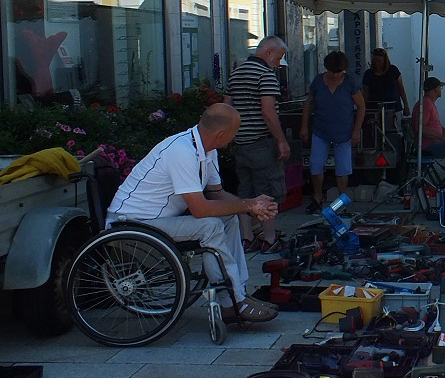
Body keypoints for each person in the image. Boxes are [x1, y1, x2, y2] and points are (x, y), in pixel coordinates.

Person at [106, 104, 278, 323]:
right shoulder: (182, 151)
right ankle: (232, 301)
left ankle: (239, 293)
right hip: (133, 223)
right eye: (234, 134)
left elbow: (217, 194)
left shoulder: (207, 149)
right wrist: (248, 205)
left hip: (157, 220)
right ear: (222, 134)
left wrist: (254, 207)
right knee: (210, 226)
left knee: (229, 218)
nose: (234, 140)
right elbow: (201, 209)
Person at [224, 35, 289, 253]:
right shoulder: (265, 75)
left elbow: (226, 110)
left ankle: (247, 238)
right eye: (278, 58)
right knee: (267, 192)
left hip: (241, 145)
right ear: (269, 52)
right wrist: (281, 140)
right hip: (262, 143)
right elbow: (268, 111)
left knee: (245, 193)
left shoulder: (236, 73)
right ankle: (269, 240)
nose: (278, 63)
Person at [300, 51, 365, 214]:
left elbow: (362, 106)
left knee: (343, 169)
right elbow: (308, 104)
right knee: (315, 166)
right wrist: (304, 126)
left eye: (339, 72)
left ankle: (341, 201)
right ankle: (317, 198)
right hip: (321, 130)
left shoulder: (350, 83)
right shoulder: (318, 82)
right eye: (333, 72)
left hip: (344, 132)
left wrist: (357, 130)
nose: (336, 75)